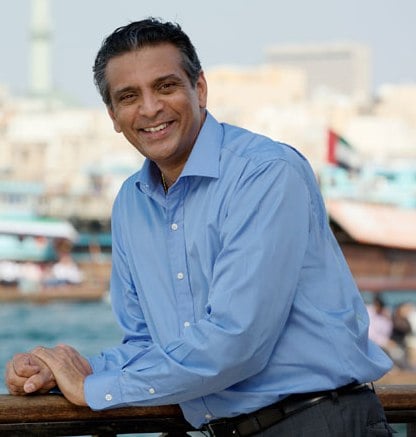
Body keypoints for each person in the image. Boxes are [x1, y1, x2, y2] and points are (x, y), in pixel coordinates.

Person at [5, 18, 394, 436]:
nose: (149, 108)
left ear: (200, 89)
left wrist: (92, 388)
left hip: (318, 423)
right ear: (113, 115)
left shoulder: (264, 174)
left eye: (165, 87)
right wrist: (63, 371)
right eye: (129, 96)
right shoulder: (131, 203)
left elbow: (237, 341)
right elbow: (147, 346)